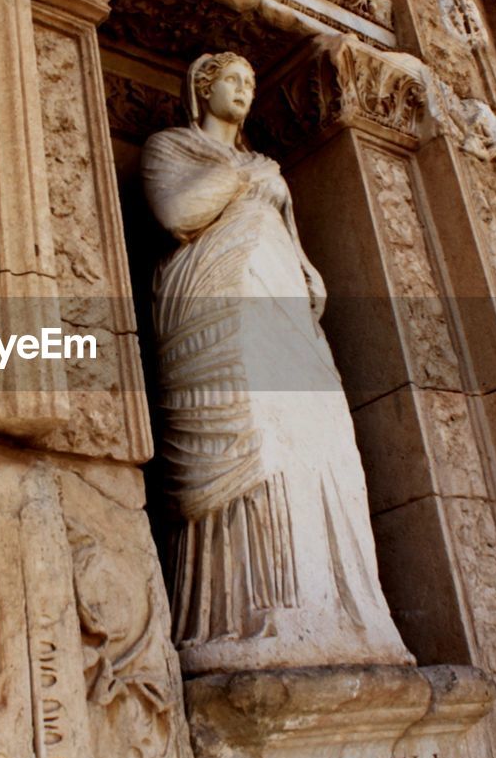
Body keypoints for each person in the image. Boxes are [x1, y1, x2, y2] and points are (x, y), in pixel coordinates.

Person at [142, 52, 411, 673]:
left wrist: (306, 272)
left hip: (282, 307)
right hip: (214, 308)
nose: (244, 91)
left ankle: (336, 609)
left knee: (321, 442)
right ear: (202, 86)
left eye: (251, 82)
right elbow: (176, 214)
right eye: (233, 81)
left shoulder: (268, 166)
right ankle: (245, 613)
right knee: (255, 440)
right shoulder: (170, 148)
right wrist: (242, 178)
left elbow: (291, 242)